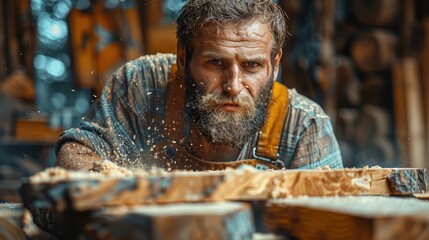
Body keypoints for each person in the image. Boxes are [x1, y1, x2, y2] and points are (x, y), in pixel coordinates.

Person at [55, 0, 343, 171]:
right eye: (215, 63)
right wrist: (111, 185)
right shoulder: (141, 85)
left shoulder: (305, 126)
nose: (233, 85)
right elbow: (78, 152)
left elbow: (332, 222)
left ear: (275, 65)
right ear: (183, 58)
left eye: (251, 66)